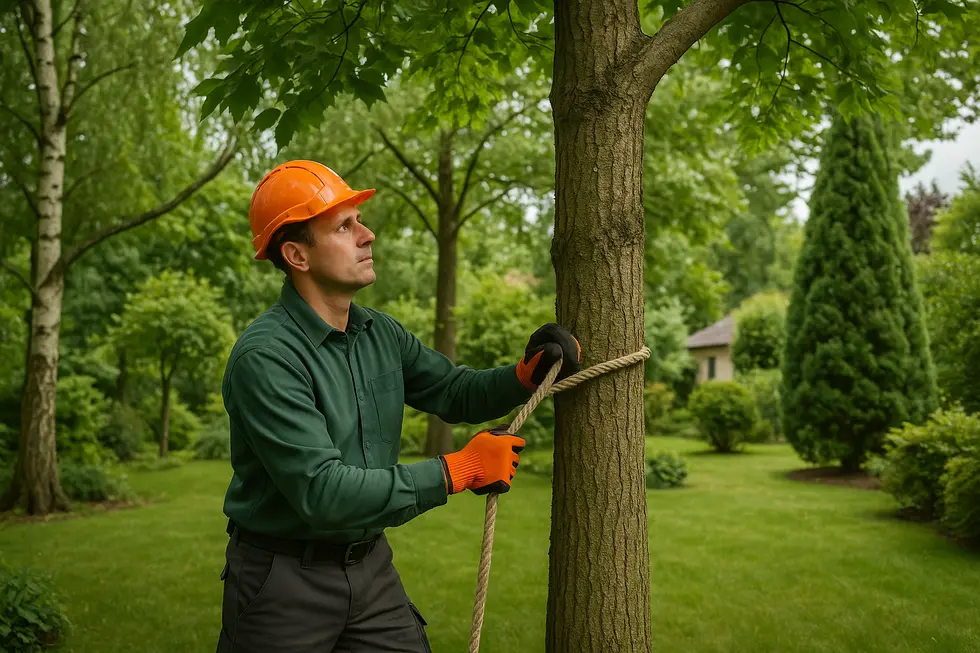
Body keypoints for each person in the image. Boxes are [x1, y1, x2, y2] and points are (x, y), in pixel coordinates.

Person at [215, 160, 581, 652]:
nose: (367, 235)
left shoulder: (379, 333)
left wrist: (522, 376)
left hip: (369, 571)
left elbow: (453, 390)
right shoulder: (267, 358)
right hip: (281, 583)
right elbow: (322, 491)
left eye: (359, 221)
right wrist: (457, 471)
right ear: (297, 255)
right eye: (344, 226)